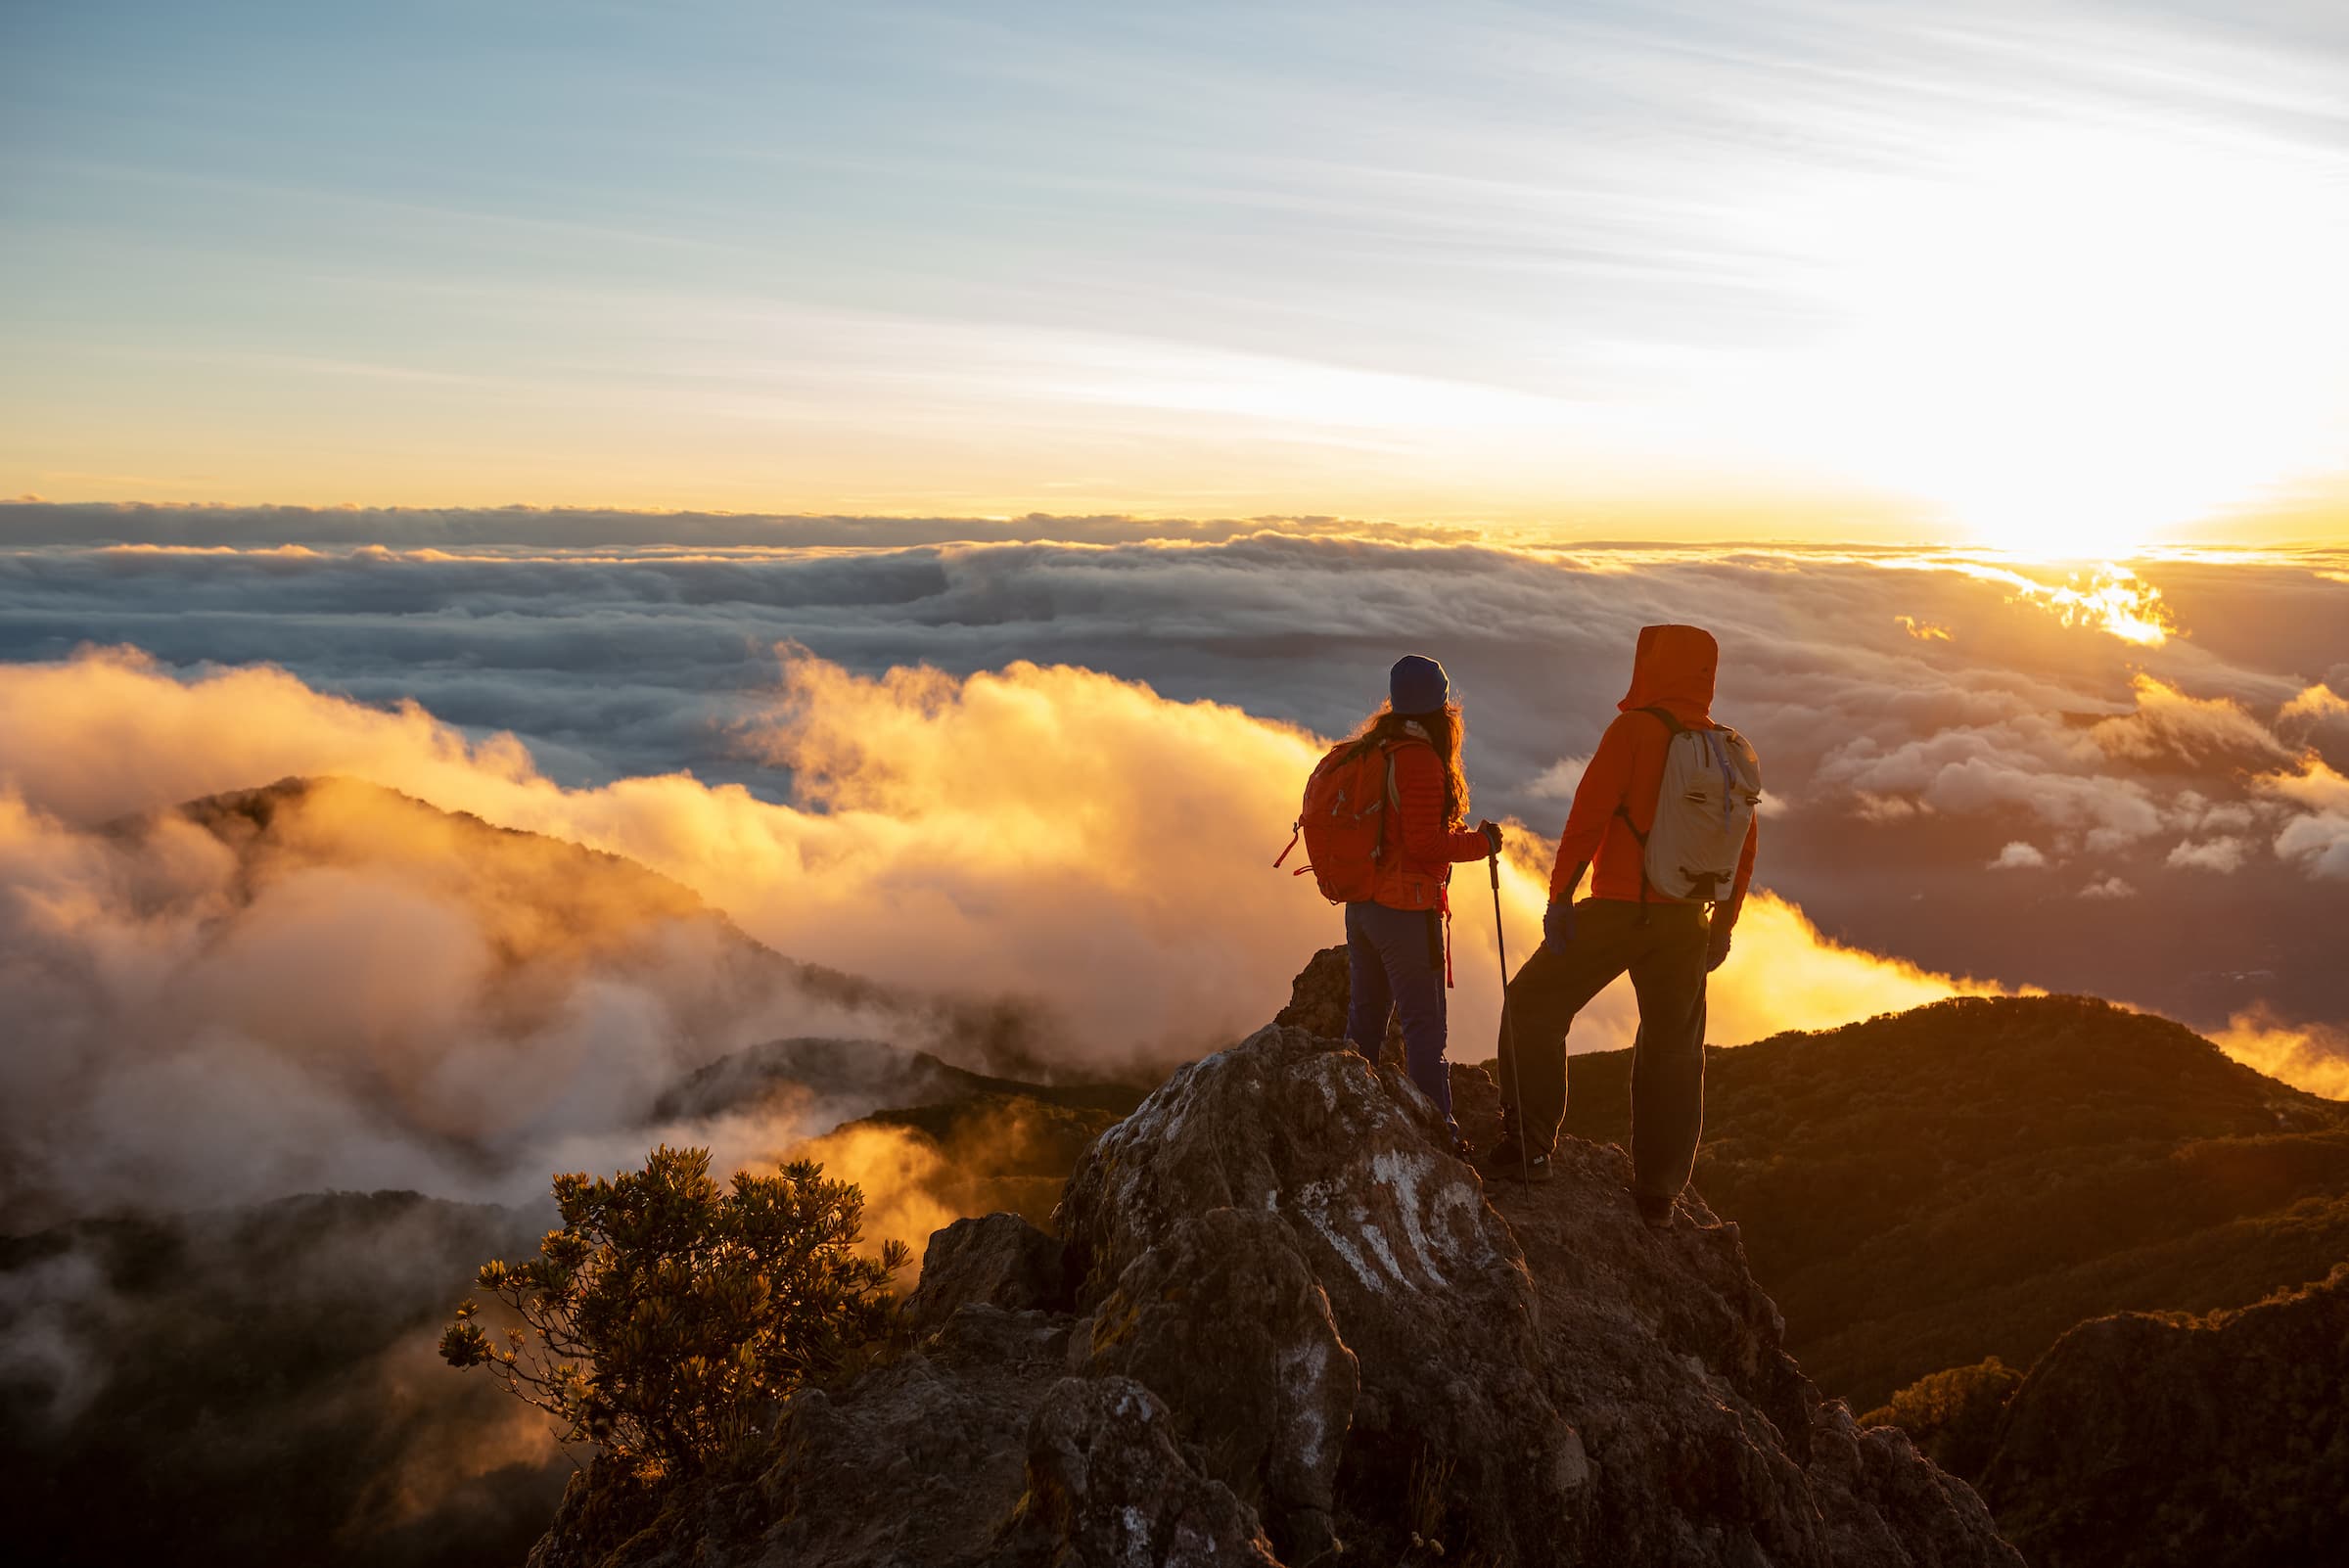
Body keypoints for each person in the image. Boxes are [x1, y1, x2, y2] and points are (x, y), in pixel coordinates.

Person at [1488, 624, 1759, 1228]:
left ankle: (1530, 1149)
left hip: (1619, 909)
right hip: (1690, 920)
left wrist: (1560, 898)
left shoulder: (1634, 731)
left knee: (1532, 1005)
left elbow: (1587, 817)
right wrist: (1724, 927)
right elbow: (1742, 847)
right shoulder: (1727, 748)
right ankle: (1658, 1195)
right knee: (1674, 1050)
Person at [1341, 654, 1503, 1156]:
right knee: (1425, 1029)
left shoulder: (1375, 748)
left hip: (1363, 906)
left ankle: (1347, 1116)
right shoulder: (1419, 760)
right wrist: (1481, 845)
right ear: (1441, 709)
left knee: (1365, 1018)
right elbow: (1425, 846)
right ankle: (1437, 1134)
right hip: (1406, 912)